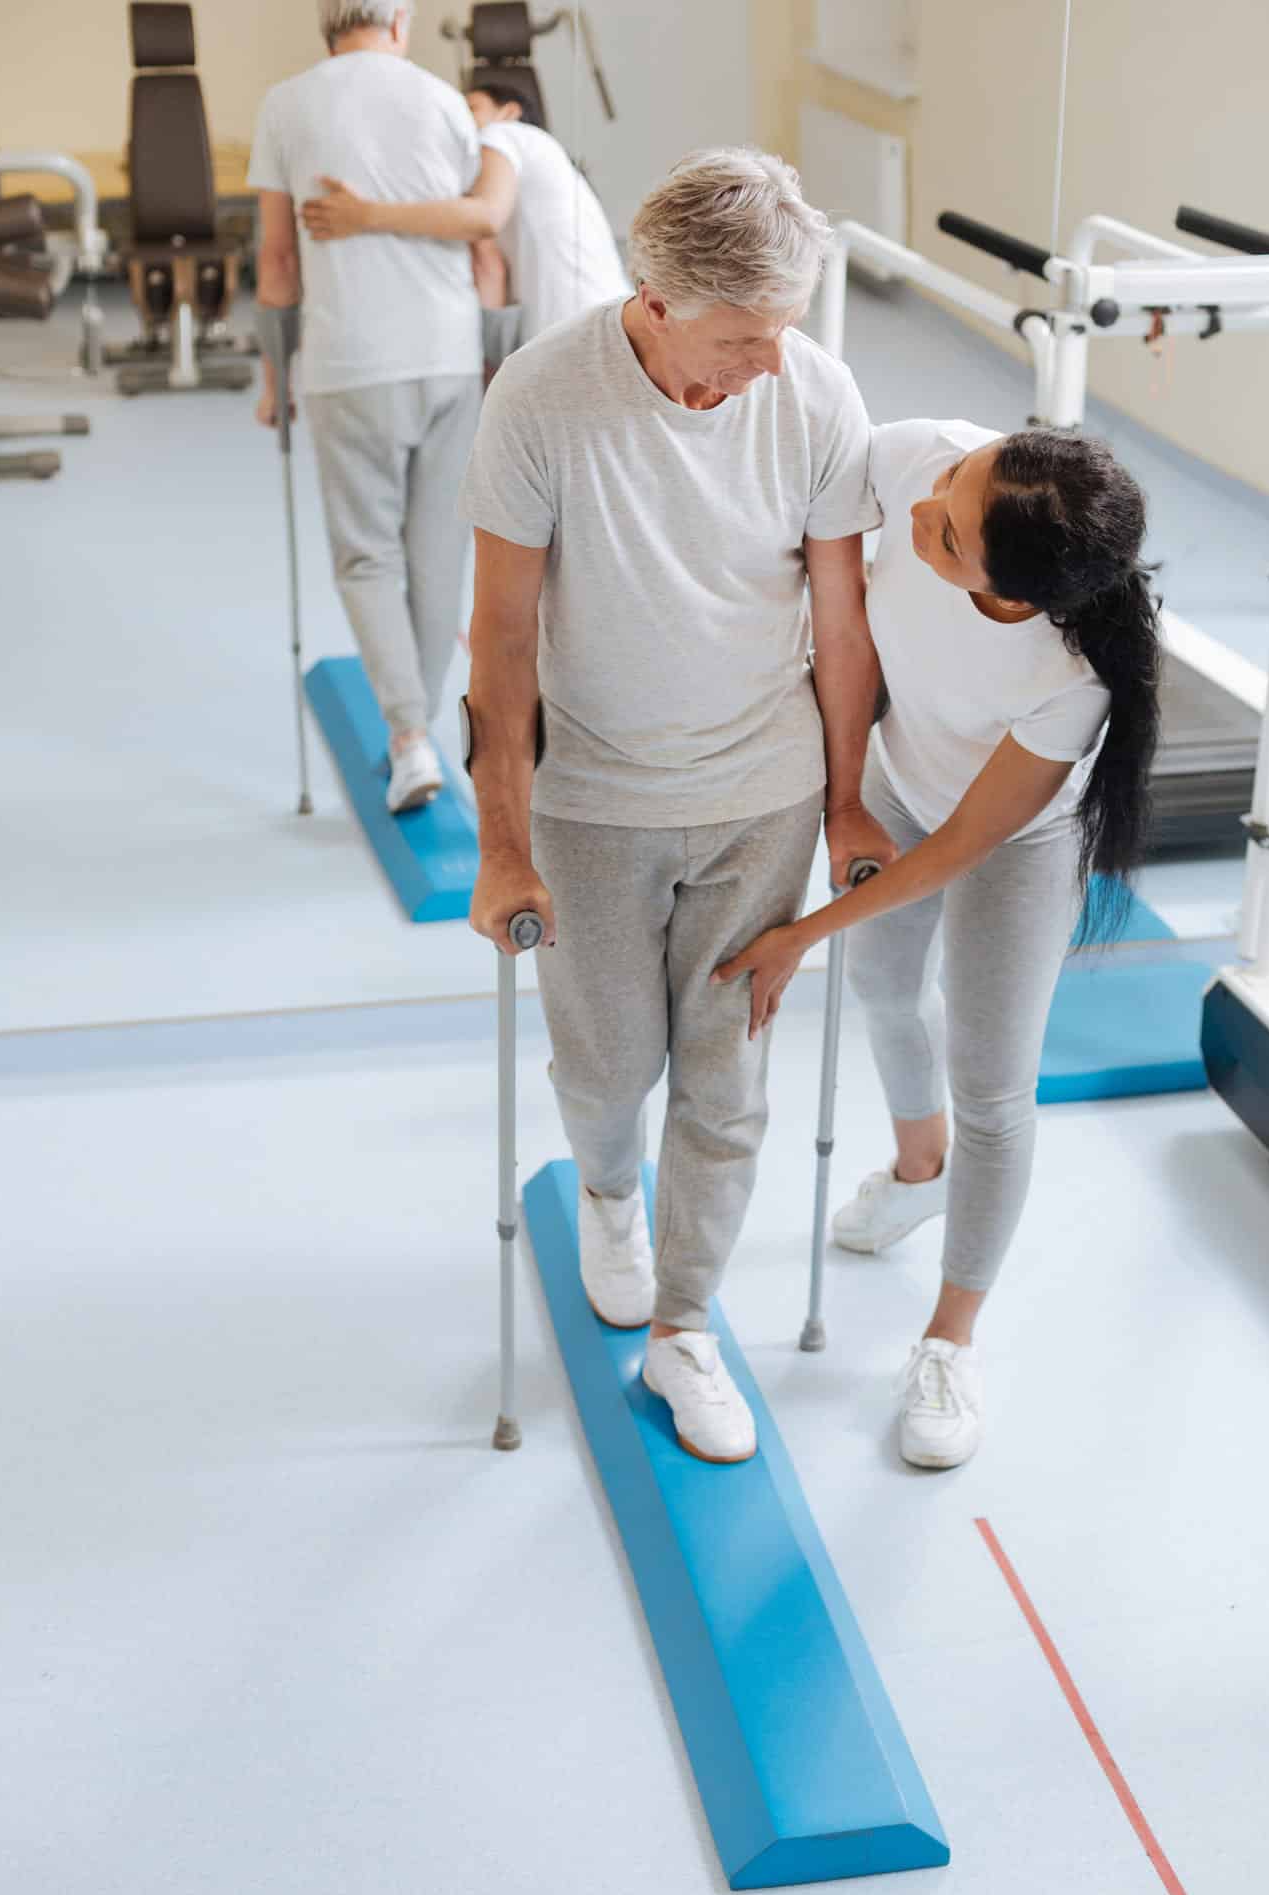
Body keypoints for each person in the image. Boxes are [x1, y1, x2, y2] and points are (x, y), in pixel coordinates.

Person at [460, 150, 891, 1466]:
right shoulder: (541, 400)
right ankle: (605, 1185)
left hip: (755, 797)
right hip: (592, 801)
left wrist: (847, 805)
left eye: (784, 331)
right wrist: (501, 844)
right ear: (651, 298)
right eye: (739, 337)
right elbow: (503, 635)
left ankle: (689, 1326)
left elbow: (839, 615)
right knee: (608, 1070)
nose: (768, 362)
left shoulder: (810, 390)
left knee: (727, 1079)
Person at [714, 421, 1162, 1472]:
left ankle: (949, 1339)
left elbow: (965, 845)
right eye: (953, 485)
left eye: (950, 536)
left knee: (994, 1084)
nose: (923, 512)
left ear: (1023, 593)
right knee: (879, 984)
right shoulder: (926, 455)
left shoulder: (1070, 675)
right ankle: (920, 1172)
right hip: (897, 777)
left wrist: (797, 937)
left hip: (1005, 841)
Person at [249, 0, 484, 814]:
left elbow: (277, 261)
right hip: (450, 355)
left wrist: (275, 378)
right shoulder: (442, 101)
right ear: (400, 21)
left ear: (327, 21)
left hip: (350, 363)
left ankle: (409, 734)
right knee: (436, 557)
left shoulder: (288, 101)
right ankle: (414, 728)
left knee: (367, 559)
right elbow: (474, 231)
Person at [300, 80, 628, 350]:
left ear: (509, 112)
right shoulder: (539, 157)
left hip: (581, 327)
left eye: (470, 109)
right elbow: (490, 263)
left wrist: (365, 215)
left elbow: (484, 219)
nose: (459, 120)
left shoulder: (504, 134)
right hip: (597, 321)